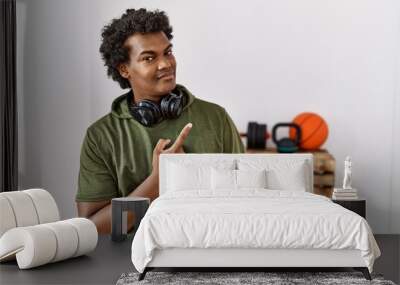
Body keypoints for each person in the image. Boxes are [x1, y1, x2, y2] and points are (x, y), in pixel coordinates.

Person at [75, 8, 244, 234]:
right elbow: (93, 229)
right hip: (131, 262)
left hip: (210, 250)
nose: (165, 64)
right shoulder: (101, 136)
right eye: (149, 58)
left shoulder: (216, 118)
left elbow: (244, 203)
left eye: (168, 52)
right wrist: (157, 181)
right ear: (125, 69)